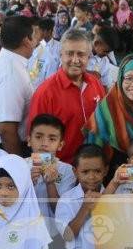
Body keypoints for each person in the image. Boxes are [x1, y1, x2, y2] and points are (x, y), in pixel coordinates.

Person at [28, 29, 106, 164]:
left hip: (93, 170)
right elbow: (36, 139)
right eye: (69, 54)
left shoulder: (95, 84)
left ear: (88, 57)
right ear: (61, 55)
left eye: (81, 54)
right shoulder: (45, 93)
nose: (75, 60)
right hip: (60, 172)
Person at [0, 16, 38, 155]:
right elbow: (6, 129)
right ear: (26, 41)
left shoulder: (7, 60)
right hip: (7, 147)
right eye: (35, 36)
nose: (37, 41)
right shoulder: (10, 73)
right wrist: (17, 164)